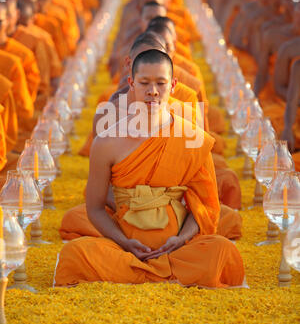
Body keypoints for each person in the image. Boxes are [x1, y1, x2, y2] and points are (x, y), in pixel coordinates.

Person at [54, 49, 244, 288]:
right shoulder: (106, 141)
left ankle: (137, 274)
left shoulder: (192, 137)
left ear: (173, 85)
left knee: (222, 251)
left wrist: (181, 239)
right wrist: (124, 242)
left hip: (177, 247)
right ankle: (162, 274)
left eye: (161, 83)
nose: (153, 91)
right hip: (124, 246)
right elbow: (94, 207)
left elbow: (204, 205)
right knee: (74, 254)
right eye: (144, 83)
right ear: (131, 83)